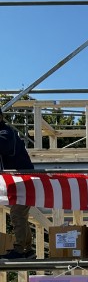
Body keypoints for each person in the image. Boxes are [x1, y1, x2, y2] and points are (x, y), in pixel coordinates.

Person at [0, 107, 35, 260]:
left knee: (17, 213)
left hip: (23, 179)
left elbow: (4, 146)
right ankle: (26, 250)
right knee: (19, 214)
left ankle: (21, 250)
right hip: (19, 180)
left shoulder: (6, 133)